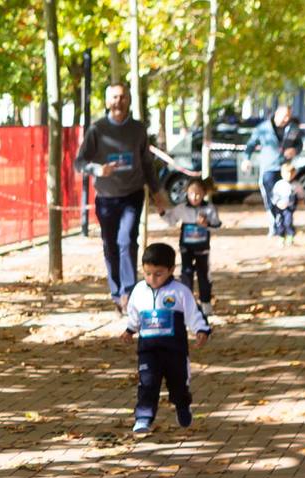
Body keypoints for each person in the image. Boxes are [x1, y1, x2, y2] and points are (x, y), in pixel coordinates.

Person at [78, 83, 166, 307]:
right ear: (108, 102)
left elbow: (147, 162)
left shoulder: (138, 129)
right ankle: (116, 292)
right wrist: (98, 170)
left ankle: (129, 292)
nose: (119, 101)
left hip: (132, 194)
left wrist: (157, 192)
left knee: (126, 240)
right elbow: (79, 162)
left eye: (123, 97)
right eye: (114, 97)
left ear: (128, 100)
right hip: (106, 197)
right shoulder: (97, 129)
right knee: (110, 244)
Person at [122, 243, 211, 436]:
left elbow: (193, 314)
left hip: (175, 351)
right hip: (148, 350)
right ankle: (143, 417)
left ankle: (182, 405)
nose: (152, 278)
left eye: (158, 274)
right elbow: (134, 313)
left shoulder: (180, 292)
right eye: (147, 273)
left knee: (178, 384)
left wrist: (200, 329)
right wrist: (130, 329)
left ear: (171, 270)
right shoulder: (139, 291)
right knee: (147, 383)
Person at [163, 178, 221, 303]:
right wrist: (161, 212)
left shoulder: (210, 208)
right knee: (186, 273)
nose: (194, 197)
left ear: (204, 193)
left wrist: (207, 224)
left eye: (198, 194)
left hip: (202, 248)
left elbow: (217, 226)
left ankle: (205, 302)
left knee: (203, 274)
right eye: (191, 193)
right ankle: (187, 302)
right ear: (186, 193)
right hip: (186, 248)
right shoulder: (182, 208)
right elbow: (171, 220)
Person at [247, 104, 305, 205]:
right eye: (285, 116)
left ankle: (284, 220)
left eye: (289, 116)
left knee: (286, 201)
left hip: (285, 170)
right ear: (277, 114)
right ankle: (274, 220)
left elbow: (299, 144)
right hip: (269, 169)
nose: (287, 119)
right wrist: (246, 159)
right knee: (271, 201)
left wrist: (294, 150)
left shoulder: (293, 128)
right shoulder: (263, 128)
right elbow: (251, 145)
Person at [269, 145, 302, 243]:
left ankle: (290, 236)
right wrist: (277, 203)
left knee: (288, 221)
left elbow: (300, 193)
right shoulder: (279, 185)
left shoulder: (295, 185)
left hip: (289, 207)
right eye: (286, 173)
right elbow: (274, 195)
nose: (288, 176)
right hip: (279, 207)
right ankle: (281, 236)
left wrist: (301, 199)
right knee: (280, 222)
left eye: (290, 174)